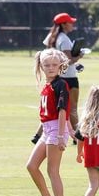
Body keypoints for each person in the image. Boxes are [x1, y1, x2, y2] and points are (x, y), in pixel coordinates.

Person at [26, 48, 70, 196]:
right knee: (31, 166)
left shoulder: (61, 85)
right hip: (46, 130)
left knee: (53, 171)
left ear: (60, 65)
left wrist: (60, 136)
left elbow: (62, 112)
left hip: (55, 131)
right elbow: (45, 114)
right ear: (41, 67)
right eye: (46, 65)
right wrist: (37, 134)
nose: (50, 68)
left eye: (53, 64)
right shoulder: (47, 85)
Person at [31, 13, 83, 144]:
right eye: (70, 22)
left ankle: (38, 135)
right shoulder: (64, 39)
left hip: (53, 77)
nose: (72, 24)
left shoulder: (51, 37)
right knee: (72, 109)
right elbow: (66, 61)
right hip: (68, 78)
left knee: (52, 109)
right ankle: (78, 138)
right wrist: (79, 56)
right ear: (64, 24)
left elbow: (50, 57)